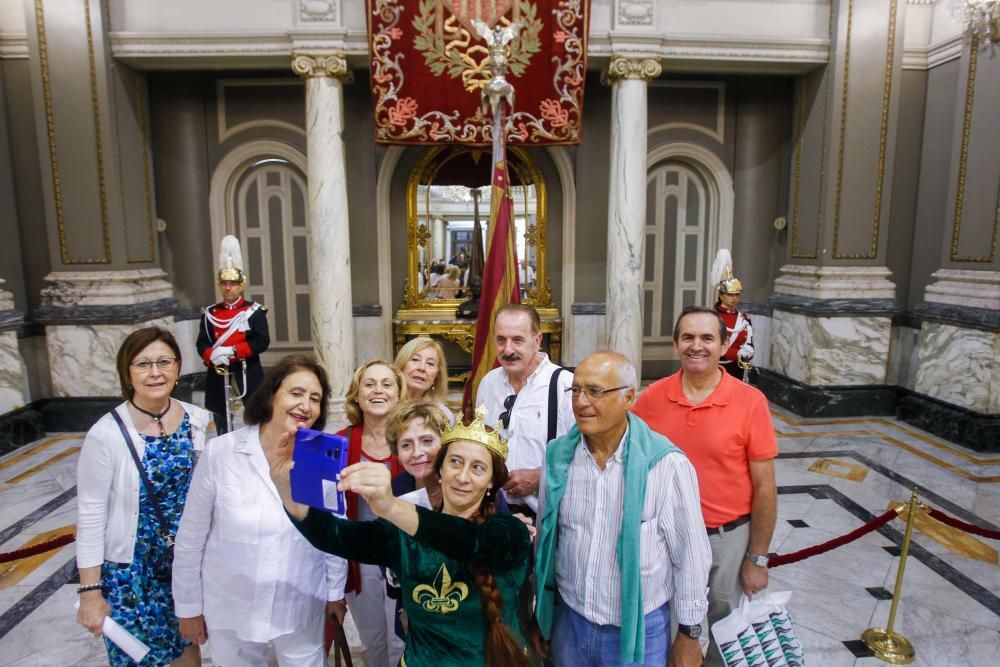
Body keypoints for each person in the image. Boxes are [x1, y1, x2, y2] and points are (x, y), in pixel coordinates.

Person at [269, 407, 532, 667]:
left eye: (477, 468)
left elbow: (469, 541)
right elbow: (334, 536)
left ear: (490, 482)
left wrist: (390, 506)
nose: (462, 477)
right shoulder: (402, 534)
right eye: (455, 462)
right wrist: (285, 484)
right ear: (439, 471)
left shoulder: (510, 533)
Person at [532, 351, 710, 667]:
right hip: (569, 621)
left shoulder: (666, 466)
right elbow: (548, 542)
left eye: (595, 391)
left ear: (629, 397)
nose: (581, 402)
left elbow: (691, 557)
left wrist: (689, 634)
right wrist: (543, 614)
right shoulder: (558, 458)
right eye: (576, 390)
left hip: (640, 629)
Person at [172, 355, 344, 667]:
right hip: (231, 604)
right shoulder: (222, 453)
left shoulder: (321, 457)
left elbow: (335, 535)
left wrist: (335, 593)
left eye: (315, 398)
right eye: (296, 393)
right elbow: (191, 536)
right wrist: (188, 607)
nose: (305, 405)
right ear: (271, 396)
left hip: (300, 601)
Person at [632, 306, 778, 667]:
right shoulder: (652, 399)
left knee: (725, 631)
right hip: (667, 539)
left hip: (726, 539)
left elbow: (765, 487)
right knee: (666, 626)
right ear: (675, 343)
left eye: (707, 338)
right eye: (688, 337)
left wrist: (757, 558)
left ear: (724, 344)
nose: (697, 346)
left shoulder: (749, 402)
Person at [76, 327, 211, 667]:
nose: (155, 372)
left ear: (178, 368)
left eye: (164, 361)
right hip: (132, 573)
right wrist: (90, 593)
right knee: (137, 658)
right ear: (127, 372)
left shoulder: (198, 422)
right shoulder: (105, 434)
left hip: (184, 566)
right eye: (143, 364)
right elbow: (91, 516)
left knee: (188, 653)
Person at [334, 359, 408, 667]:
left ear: (399, 394)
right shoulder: (339, 442)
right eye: (369, 384)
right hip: (359, 560)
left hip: (403, 556)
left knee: (402, 639)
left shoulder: (412, 440)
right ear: (356, 395)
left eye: (387, 384)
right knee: (374, 642)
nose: (378, 390)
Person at [477, 303, 573, 516]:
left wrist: (541, 477)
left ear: (537, 340)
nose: (508, 349)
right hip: (495, 514)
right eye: (501, 340)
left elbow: (586, 457)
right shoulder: (488, 384)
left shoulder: (565, 386)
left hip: (547, 518)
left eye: (517, 340)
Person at [196, 234, 270, 434]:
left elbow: (262, 341)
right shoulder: (210, 313)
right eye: (224, 283)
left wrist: (233, 351)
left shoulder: (254, 311)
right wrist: (212, 354)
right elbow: (201, 343)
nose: (228, 288)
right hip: (219, 370)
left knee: (256, 412)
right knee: (220, 413)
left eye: (233, 283)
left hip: (247, 369)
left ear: (241, 285)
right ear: (219, 285)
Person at [387, 400, 451, 508]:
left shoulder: (460, 485)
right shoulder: (394, 489)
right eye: (406, 445)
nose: (416, 453)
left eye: (427, 441)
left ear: (444, 443)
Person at [710, 249, 754, 381]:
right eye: (730, 294)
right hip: (715, 369)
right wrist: (737, 354)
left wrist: (747, 352)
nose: (734, 298)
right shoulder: (712, 318)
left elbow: (750, 344)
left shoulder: (744, 319)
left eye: (737, 295)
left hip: (737, 370)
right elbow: (711, 346)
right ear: (721, 295)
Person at [393, 336, 452, 419]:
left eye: (430, 363)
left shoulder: (444, 415)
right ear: (402, 364)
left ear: (437, 376)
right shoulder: (384, 406)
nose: (422, 368)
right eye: (415, 359)